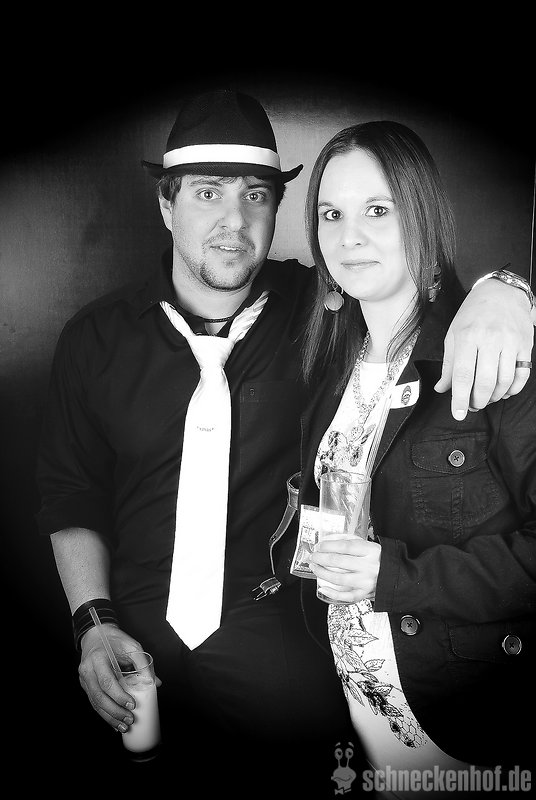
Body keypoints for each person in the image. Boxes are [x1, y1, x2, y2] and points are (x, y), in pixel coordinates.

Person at [36, 90, 533, 793]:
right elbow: (70, 493)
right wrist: (93, 623)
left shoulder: (321, 311)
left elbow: (414, 283)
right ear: (166, 205)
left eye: (257, 196)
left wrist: (507, 290)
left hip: (293, 656)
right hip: (138, 636)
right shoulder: (96, 339)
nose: (234, 222)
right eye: (207, 193)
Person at [299, 119, 535, 793]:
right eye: (331, 214)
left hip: (465, 730)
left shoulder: (491, 355)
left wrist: (395, 577)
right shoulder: (330, 364)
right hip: (362, 721)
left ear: (421, 214)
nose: (349, 236)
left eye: (378, 210)